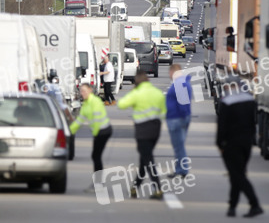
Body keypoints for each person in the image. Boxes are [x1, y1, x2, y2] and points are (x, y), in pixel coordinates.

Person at [216, 77, 263, 218]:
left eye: (226, 86)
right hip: (246, 143)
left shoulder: (227, 102)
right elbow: (253, 122)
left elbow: (222, 126)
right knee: (237, 173)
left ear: (230, 86)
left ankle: (255, 204)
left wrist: (219, 143)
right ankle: (232, 206)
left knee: (237, 175)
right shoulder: (250, 100)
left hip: (232, 144)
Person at [117, 68, 167, 199]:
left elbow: (121, 104)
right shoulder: (157, 93)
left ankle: (158, 188)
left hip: (142, 131)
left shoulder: (137, 93)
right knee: (144, 159)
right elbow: (164, 112)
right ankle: (135, 187)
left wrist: (133, 92)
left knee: (148, 160)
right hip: (155, 129)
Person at [69, 83, 112, 188]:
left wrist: (96, 135)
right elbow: (79, 120)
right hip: (98, 132)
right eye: (81, 91)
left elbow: (97, 120)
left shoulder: (95, 101)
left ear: (90, 90)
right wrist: (68, 132)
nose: (82, 93)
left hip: (103, 131)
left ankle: (99, 183)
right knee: (96, 156)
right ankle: (98, 182)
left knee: (96, 156)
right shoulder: (86, 104)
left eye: (84, 91)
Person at [165, 63, 192, 178]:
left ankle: (183, 169)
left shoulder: (179, 83)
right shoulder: (183, 82)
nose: (169, 75)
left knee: (178, 146)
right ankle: (179, 168)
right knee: (179, 146)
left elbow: (183, 103)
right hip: (180, 117)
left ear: (173, 71)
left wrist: (182, 117)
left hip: (176, 118)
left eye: (169, 72)